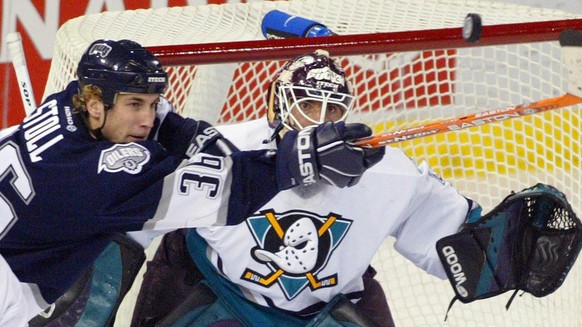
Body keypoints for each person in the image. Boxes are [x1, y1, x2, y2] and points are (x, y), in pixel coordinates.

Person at [0, 40, 382, 326]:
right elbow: (221, 196)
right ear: (97, 104)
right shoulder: (98, 176)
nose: (147, 118)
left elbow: (170, 126)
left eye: (151, 102)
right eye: (135, 105)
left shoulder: (68, 104)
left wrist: (232, 154)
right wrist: (296, 162)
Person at [129, 50, 471, 327]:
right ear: (278, 105)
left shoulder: (389, 172)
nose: (321, 119)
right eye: (307, 105)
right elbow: (128, 220)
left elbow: (458, 242)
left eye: (333, 108)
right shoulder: (220, 148)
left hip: (330, 307)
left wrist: (514, 236)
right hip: (219, 294)